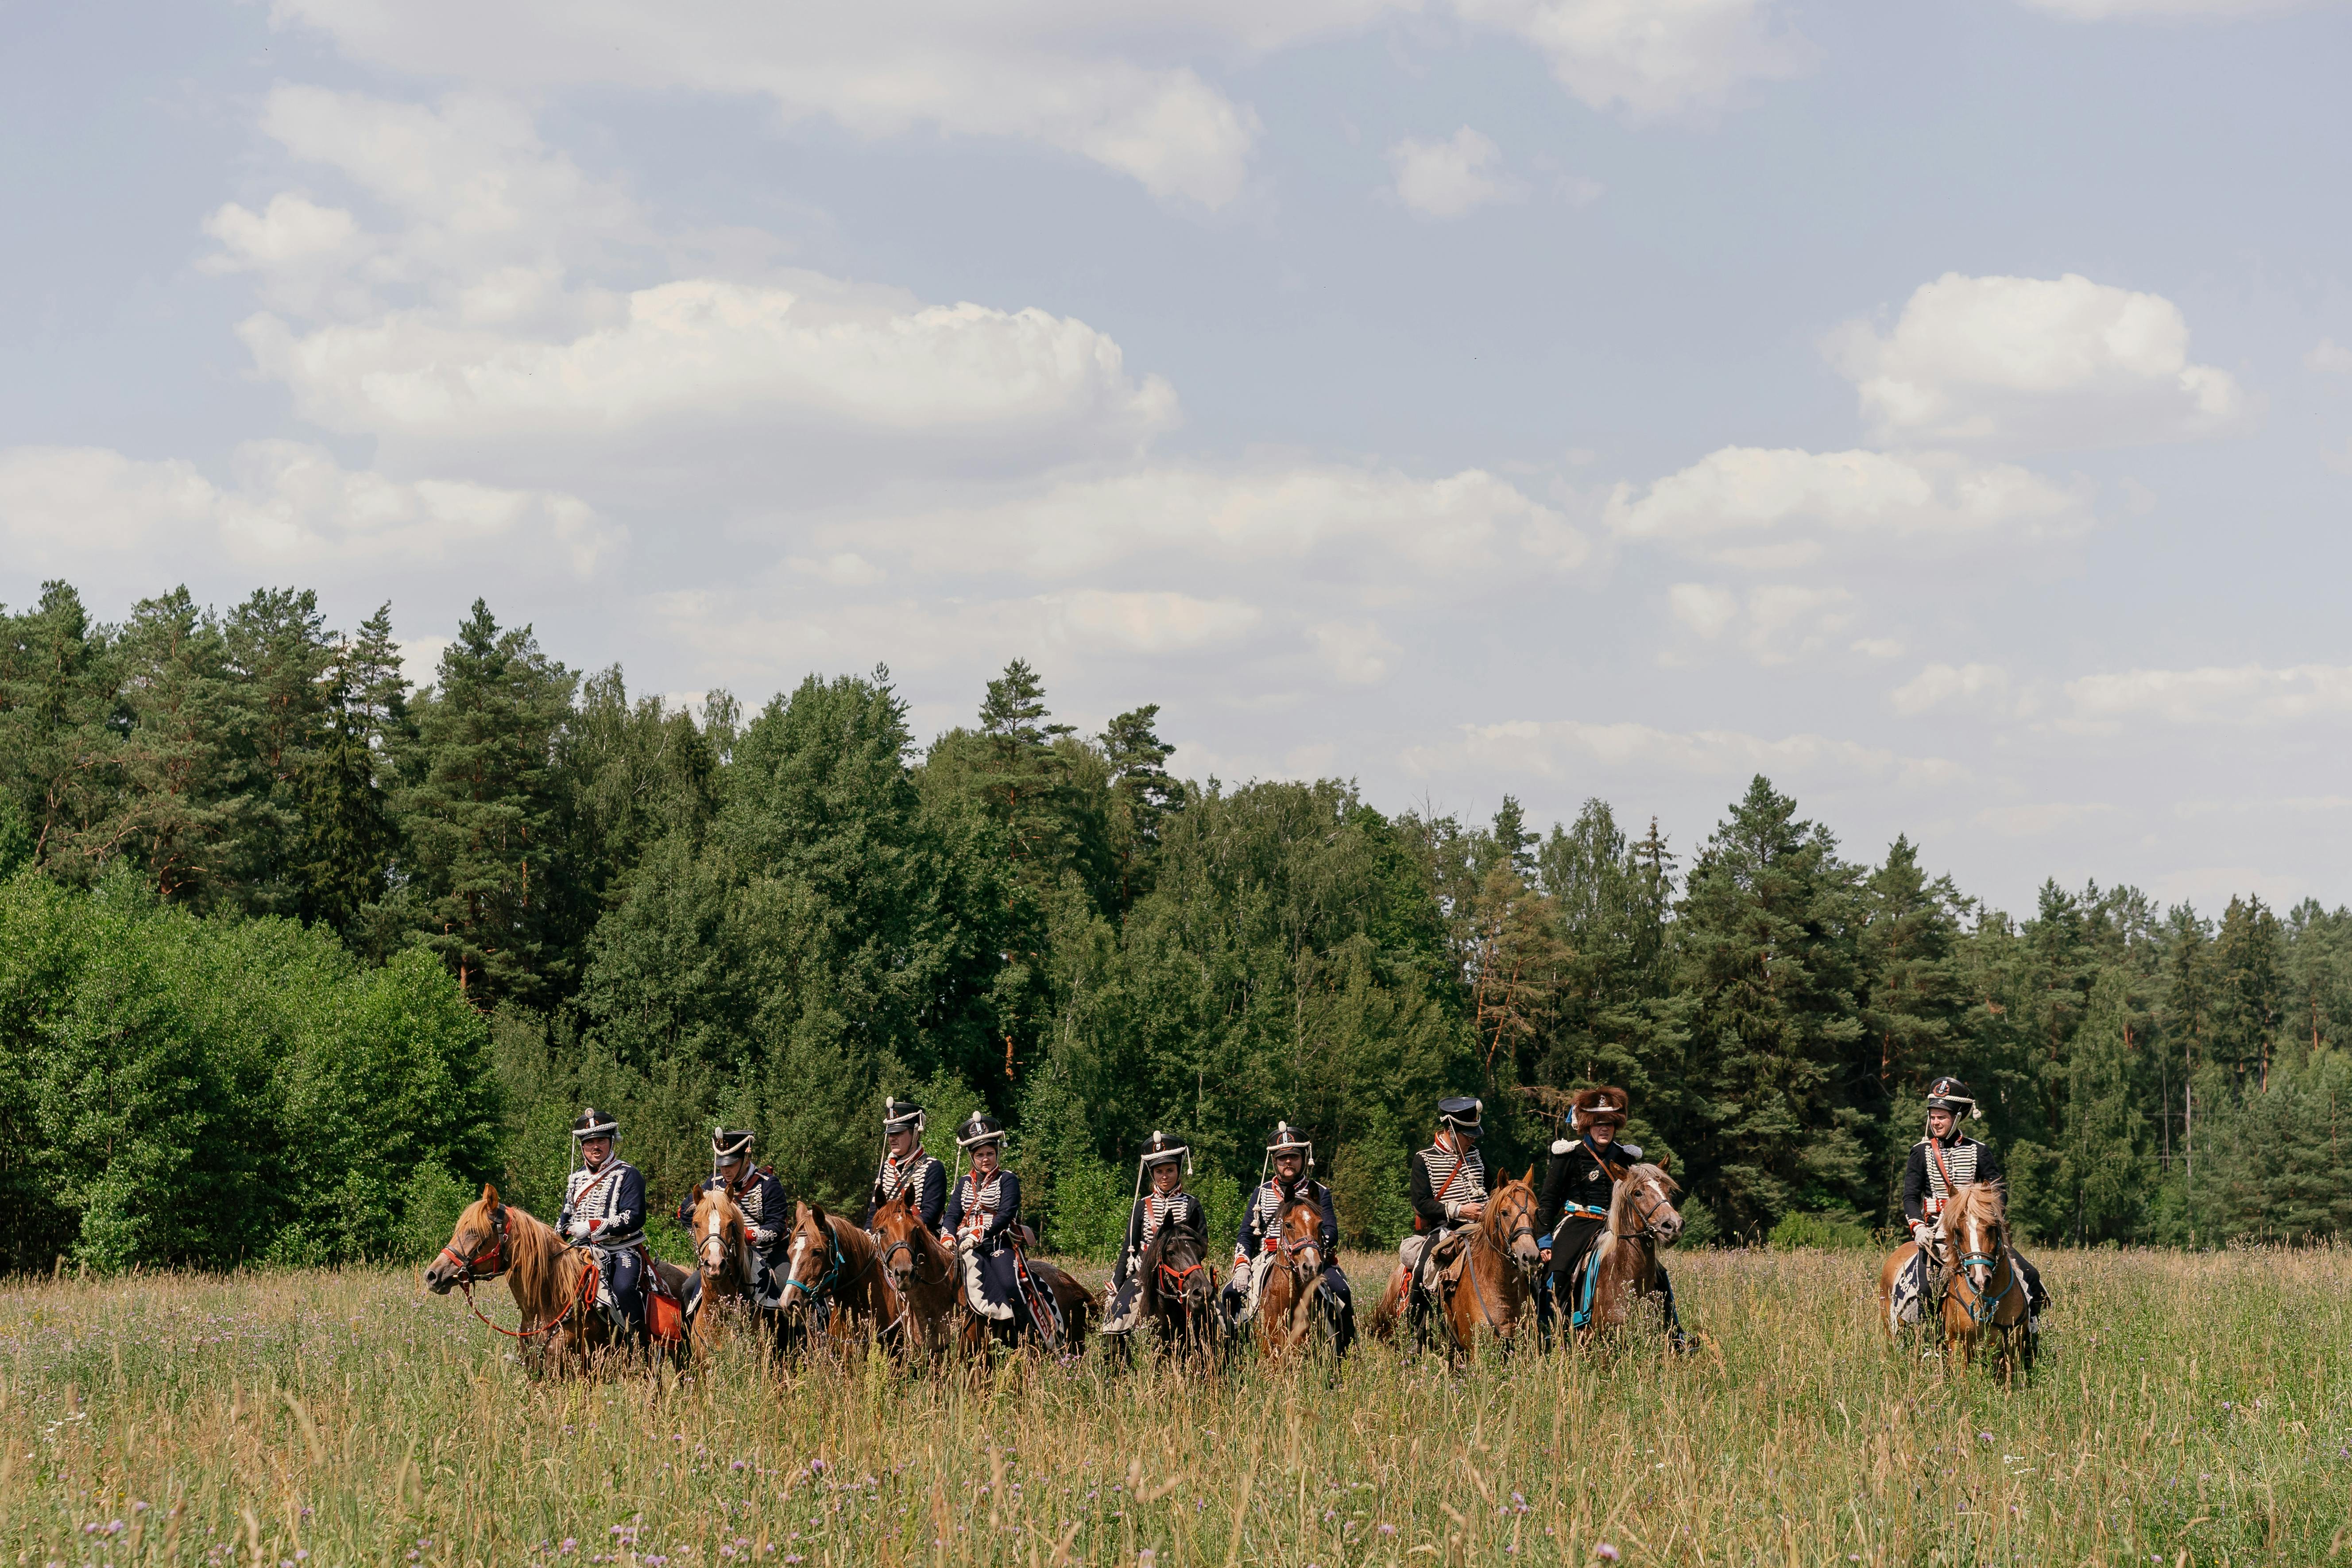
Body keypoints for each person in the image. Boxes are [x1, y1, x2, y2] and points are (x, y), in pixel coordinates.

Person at [1895, 1076, 2050, 1328]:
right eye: (1933, 1117)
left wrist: (1987, 1215)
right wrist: (1919, 1227)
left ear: (1956, 1118)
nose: (1936, 1123)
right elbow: (1910, 1197)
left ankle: (2031, 1332)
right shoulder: (1920, 1152)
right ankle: (1925, 1342)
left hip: (1977, 1230)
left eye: (1942, 1117)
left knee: (2030, 1275)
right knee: (1923, 1289)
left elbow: (1999, 1191)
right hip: (1938, 1232)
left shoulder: (1979, 1150)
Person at [1535, 1087, 1682, 1340]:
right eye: (1598, 1124)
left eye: (1610, 1125)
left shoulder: (1625, 1157)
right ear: (1587, 1126)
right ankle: (1550, 1331)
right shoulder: (1568, 1156)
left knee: (1659, 1273)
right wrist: (1545, 1240)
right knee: (1558, 1271)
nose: (1605, 1129)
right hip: (1579, 1222)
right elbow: (1548, 1201)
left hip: (1617, 1226)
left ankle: (1674, 1332)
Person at [1222, 1122, 1357, 1353]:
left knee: (1342, 1291)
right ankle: (1233, 1358)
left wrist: (1311, 1247)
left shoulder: (1319, 1192)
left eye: (1294, 1157)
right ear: (1275, 1161)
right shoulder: (1261, 1193)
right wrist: (1243, 1266)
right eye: (1282, 1158)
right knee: (1230, 1295)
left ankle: (1344, 1355)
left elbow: (1332, 1233)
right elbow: (1246, 1233)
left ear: (1303, 1158)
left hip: (1312, 1257)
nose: (1288, 1162)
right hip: (1268, 1258)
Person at [1102, 1131, 1209, 1335]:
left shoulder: (1192, 1204)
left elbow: (1202, 1242)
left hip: (1184, 1274)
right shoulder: (1142, 1206)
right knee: (1113, 1325)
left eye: (1170, 1169)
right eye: (1159, 1171)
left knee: (1219, 1317)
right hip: (1144, 1274)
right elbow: (1129, 1248)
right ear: (1153, 1174)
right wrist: (1117, 1283)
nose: (1165, 1176)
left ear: (1179, 1170)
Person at [559, 1106, 647, 1340]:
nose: (595, 1147)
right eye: (589, 1143)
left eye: (601, 1141)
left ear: (611, 1143)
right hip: (579, 1250)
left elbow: (634, 1217)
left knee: (624, 1288)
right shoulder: (576, 1178)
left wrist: (592, 1226)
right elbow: (566, 1215)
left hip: (621, 1249)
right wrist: (555, 1241)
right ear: (582, 1148)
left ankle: (642, 1344)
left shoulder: (628, 1174)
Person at [1397, 1096, 1488, 1319]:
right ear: (1450, 1129)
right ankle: (1414, 1330)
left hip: (1484, 1227)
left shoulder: (1477, 1156)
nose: (1471, 1141)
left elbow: (1493, 1188)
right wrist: (1460, 1210)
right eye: (1467, 1136)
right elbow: (1421, 1203)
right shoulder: (1424, 1159)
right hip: (1447, 1229)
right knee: (1421, 1270)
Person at [676, 1127, 788, 1298]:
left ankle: (803, 1325)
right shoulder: (713, 1184)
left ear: (746, 1159)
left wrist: (748, 1235)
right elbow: (684, 1212)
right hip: (727, 1254)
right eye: (722, 1165)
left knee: (785, 1287)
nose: (725, 1171)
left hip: (768, 1252)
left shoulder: (768, 1184)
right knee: (689, 1288)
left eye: (731, 1164)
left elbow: (778, 1226)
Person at [941, 1111, 1030, 1327]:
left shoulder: (1008, 1179)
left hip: (999, 1242)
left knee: (1010, 1285)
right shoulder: (964, 1183)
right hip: (965, 1246)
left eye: (990, 1153)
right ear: (973, 1157)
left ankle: (1027, 1332)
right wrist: (947, 1236)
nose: (986, 1159)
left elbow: (1007, 1214)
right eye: (980, 1155)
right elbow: (952, 1215)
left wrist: (980, 1233)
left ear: (997, 1153)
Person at [862, 1096, 947, 1232]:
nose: (892, 1139)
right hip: (887, 1236)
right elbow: (874, 1211)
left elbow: (931, 1215)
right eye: (890, 1134)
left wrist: (901, 1231)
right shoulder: (886, 1167)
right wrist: (868, 1234)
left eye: (899, 1133)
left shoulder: (933, 1167)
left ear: (915, 1134)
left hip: (919, 1237)